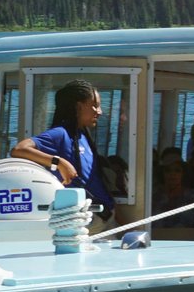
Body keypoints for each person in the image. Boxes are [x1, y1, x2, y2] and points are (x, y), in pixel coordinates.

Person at [12, 80, 117, 225]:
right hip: (86, 221)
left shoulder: (83, 135)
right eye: (95, 105)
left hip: (104, 216)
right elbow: (19, 149)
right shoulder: (59, 134)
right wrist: (59, 162)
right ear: (78, 106)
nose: (99, 112)